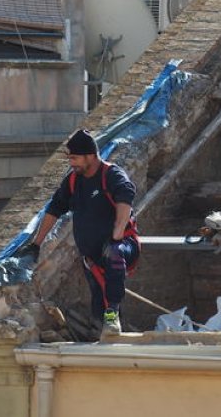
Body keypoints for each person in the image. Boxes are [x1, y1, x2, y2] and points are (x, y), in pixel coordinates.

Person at [22, 129, 140, 338]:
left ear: (91, 156)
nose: (72, 163)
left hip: (122, 248)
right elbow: (54, 209)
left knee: (113, 256)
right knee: (98, 304)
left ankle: (113, 316)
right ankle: (104, 336)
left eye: (75, 158)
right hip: (92, 259)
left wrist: (116, 235)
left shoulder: (111, 175)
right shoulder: (74, 181)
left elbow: (126, 198)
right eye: (70, 159)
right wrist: (36, 244)